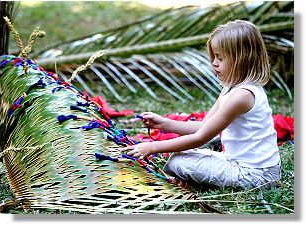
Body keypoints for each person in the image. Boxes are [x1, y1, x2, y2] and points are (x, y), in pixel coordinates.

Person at [120, 19, 281, 189]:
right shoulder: (231, 88)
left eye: (220, 58)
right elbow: (203, 126)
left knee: (178, 162)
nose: (214, 63)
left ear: (242, 59)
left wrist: (151, 147)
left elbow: (200, 138)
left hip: (257, 175)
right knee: (180, 155)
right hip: (240, 164)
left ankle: (197, 183)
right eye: (214, 57)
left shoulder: (243, 95)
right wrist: (164, 123)